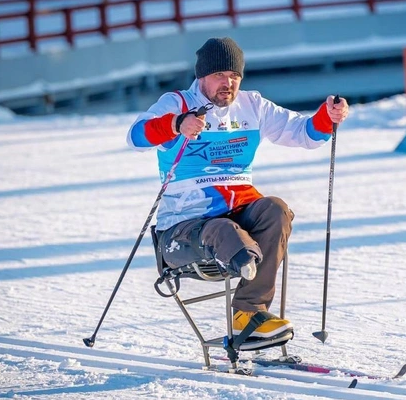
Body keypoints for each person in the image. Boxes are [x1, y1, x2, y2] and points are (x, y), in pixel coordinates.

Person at [127, 37, 349, 345]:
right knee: (225, 230)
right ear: (201, 76)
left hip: (240, 211)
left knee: (276, 209)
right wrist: (176, 124)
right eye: (219, 75)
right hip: (184, 228)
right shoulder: (176, 103)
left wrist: (327, 117)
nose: (228, 82)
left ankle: (249, 314)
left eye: (234, 76)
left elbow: (303, 132)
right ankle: (245, 261)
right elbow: (136, 136)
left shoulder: (251, 105)